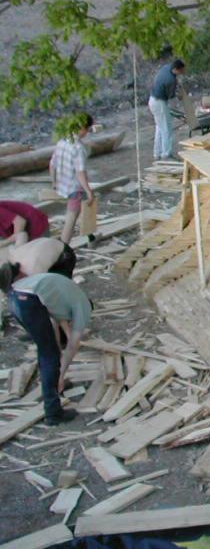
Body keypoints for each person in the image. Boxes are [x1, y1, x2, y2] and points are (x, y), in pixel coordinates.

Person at [1, 264, 91, 425]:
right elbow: (73, 344)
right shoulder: (82, 308)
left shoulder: (66, 298)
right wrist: (61, 372)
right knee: (49, 355)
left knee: (47, 351)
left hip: (14, 297)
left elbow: (59, 326)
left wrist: (59, 369)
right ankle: (53, 413)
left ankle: (52, 383)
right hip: (28, 299)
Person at [49, 115, 94, 245]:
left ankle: (90, 236)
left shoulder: (62, 141)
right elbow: (80, 172)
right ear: (83, 128)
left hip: (62, 185)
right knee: (72, 217)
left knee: (81, 210)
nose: (87, 132)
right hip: (74, 188)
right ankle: (64, 247)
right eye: (87, 129)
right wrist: (88, 191)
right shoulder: (78, 148)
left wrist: (54, 181)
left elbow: (52, 164)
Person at [149, 58, 186, 159]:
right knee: (167, 129)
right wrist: (179, 96)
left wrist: (177, 85)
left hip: (152, 99)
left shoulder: (166, 68)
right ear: (177, 69)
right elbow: (171, 97)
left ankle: (157, 153)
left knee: (159, 128)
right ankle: (166, 154)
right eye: (181, 71)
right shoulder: (170, 80)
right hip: (160, 102)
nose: (182, 73)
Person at [3, 236, 77, 279]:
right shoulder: (12, 254)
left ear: (18, 277)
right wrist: (3, 243)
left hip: (65, 255)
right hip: (51, 244)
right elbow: (21, 235)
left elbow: (44, 287)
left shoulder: (32, 270)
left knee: (62, 286)